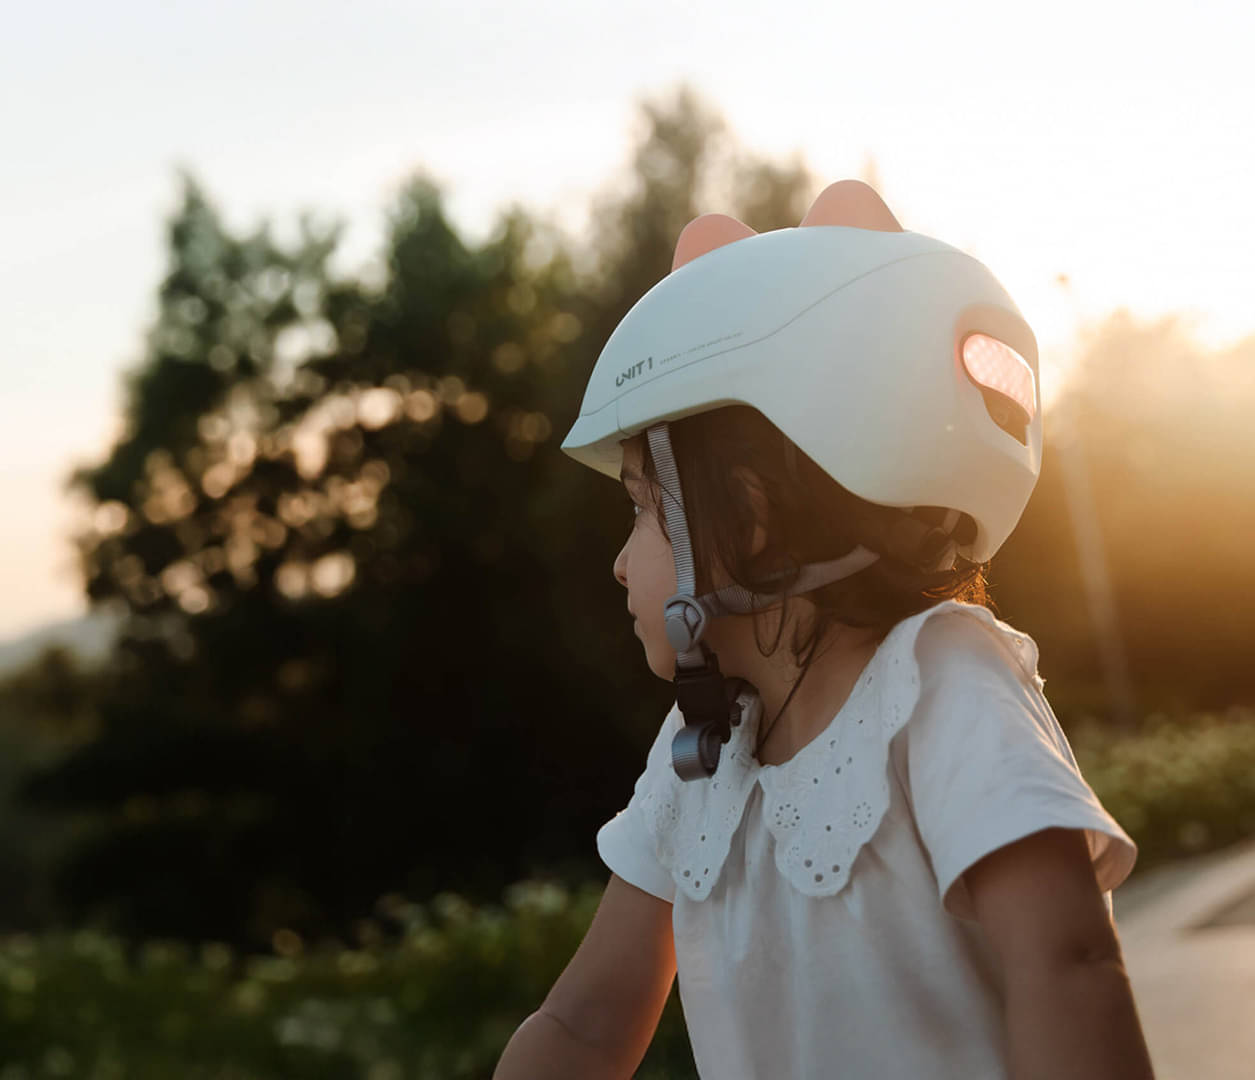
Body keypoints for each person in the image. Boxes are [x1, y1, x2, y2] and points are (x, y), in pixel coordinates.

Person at [493, 180, 1155, 1079]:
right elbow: (585, 1022)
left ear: (751, 520)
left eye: (643, 512)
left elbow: (1066, 961)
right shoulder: (697, 755)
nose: (619, 562)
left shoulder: (943, 682)